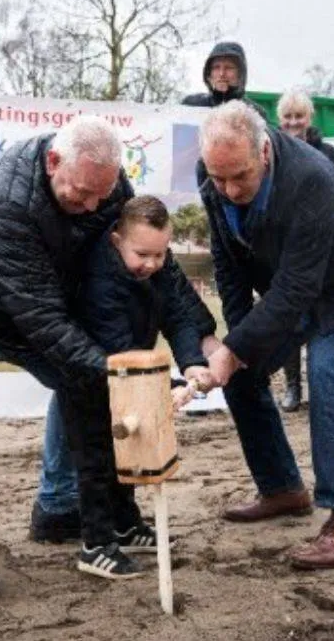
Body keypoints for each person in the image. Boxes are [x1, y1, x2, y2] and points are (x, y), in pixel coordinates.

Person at [0, 116, 215, 598]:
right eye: (80, 193)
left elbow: (153, 267)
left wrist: (196, 342)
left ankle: (58, 506)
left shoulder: (105, 185)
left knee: (83, 379)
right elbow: (44, 321)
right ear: (52, 163)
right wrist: (122, 372)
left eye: (100, 197)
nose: (91, 206)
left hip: (16, 301)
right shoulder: (5, 202)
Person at [197, 101, 334, 569]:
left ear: (264, 151)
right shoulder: (214, 172)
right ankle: (283, 488)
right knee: (242, 373)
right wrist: (235, 345)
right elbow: (228, 263)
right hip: (304, 287)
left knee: (327, 369)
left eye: (239, 177)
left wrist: (236, 348)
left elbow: (296, 288)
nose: (227, 190)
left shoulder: (310, 177)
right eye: (218, 178)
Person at [72, 195, 216, 578]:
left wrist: (192, 364)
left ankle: (125, 524)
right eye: (142, 254)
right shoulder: (100, 282)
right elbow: (118, 347)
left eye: (160, 254)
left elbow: (180, 316)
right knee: (98, 460)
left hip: (132, 372)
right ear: (117, 240)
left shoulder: (159, 268)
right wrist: (162, 387)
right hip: (91, 376)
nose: (152, 264)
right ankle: (96, 544)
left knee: (130, 452)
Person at [274, 89, 334, 411]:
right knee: (290, 320)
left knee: (323, 321)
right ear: (280, 120)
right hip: (284, 251)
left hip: (324, 251)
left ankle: (324, 385)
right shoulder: (272, 153)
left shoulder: (330, 154)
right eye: (288, 117)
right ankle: (292, 386)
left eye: (299, 116)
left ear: (310, 118)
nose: (293, 122)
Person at [181, 41, 267, 118]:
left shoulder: (254, 113)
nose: (221, 74)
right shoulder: (192, 105)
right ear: (209, 73)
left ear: (241, 74)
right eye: (216, 67)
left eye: (229, 68)